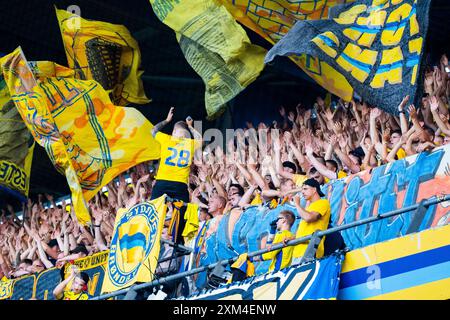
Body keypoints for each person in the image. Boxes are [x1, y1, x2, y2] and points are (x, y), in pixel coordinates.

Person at [150, 107, 202, 203]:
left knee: (155, 209)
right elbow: (200, 140)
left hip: (162, 182)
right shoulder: (190, 143)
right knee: (181, 212)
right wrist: (190, 126)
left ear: (174, 131)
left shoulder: (167, 139)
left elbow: (153, 131)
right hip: (180, 184)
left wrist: (166, 120)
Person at [292, 178, 331, 264]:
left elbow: (309, 218)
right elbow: (304, 229)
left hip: (311, 251)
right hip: (298, 252)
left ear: (314, 190)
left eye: (305, 189)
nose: (302, 192)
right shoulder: (308, 208)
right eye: (302, 189)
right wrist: (291, 238)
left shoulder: (323, 203)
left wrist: (297, 204)